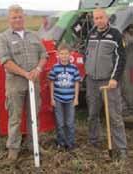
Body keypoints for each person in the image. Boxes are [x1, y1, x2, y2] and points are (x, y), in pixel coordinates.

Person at [0, 4, 47, 161]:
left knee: (34, 115)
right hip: (15, 84)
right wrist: (25, 73)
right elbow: (5, 61)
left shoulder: (34, 35)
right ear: (9, 19)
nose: (17, 20)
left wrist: (38, 69)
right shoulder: (3, 38)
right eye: (14, 17)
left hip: (34, 82)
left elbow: (44, 55)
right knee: (15, 117)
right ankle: (13, 148)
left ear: (23, 17)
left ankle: (34, 145)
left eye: (20, 17)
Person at [85, 8, 127, 160]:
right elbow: (86, 55)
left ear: (107, 17)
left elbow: (121, 58)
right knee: (92, 114)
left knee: (114, 115)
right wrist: (87, 70)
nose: (98, 21)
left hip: (108, 82)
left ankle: (121, 147)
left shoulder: (115, 34)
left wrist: (114, 78)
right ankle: (93, 141)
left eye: (101, 17)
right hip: (91, 81)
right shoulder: (91, 33)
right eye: (96, 18)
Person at [49, 43, 81, 150]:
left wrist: (76, 98)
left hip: (70, 99)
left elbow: (77, 83)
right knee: (60, 123)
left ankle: (70, 143)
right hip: (58, 99)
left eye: (66, 54)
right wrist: (52, 98)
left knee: (70, 122)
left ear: (70, 55)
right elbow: (51, 82)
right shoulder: (55, 68)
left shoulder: (74, 68)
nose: (64, 56)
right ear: (58, 55)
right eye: (61, 54)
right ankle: (61, 143)